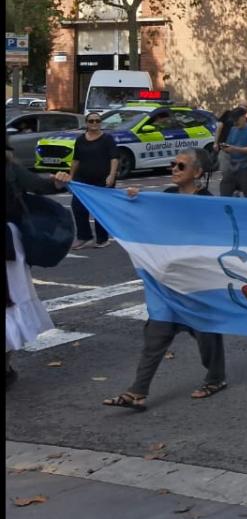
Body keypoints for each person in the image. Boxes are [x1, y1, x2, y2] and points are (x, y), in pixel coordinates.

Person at [102, 149, 228, 410]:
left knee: (207, 334)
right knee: (156, 334)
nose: (174, 169)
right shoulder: (166, 198)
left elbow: (219, 237)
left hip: (196, 283)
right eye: (172, 164)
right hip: (166, 282)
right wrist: (133, 200)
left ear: (197, 173)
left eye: (180, 165)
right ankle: (138, 391)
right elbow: (144, 219)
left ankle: (215, 378)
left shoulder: (208, 202)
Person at [6, 146, 71, 389]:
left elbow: (39, 185)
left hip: (6, 247)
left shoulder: (9, 167)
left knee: (9, 305)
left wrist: (58, 181)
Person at [69, 112, 119, 249]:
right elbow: (76, 160)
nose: (95, 123)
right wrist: (71, 177)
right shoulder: (80, 140)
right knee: (78, 207)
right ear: (86, 123)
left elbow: (114, 158)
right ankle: (84, 237)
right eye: (91, 121)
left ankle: (102, 239)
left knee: (100, 210)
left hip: (102, 180)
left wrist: (112, 175)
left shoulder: (108, 139)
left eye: (97, 121)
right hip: (82, 180)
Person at [218, 107, 247, 198]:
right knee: (224, 188)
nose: (235, 123)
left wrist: (236, 149)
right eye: (234, 121)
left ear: (243, 117)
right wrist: (225, 147)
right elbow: (230, 144)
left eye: (237, 120)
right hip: (232, 166)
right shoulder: (233, 129)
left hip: (246, 165)